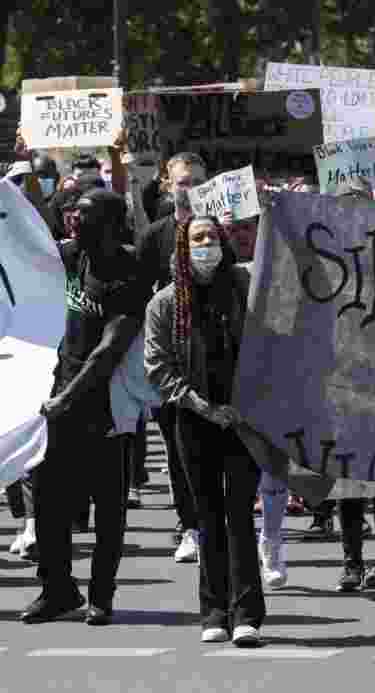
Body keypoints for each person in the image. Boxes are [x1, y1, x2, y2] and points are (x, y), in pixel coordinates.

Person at [22, 189, 152, 627]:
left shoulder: (130, 271)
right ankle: (57, 589)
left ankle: (101, 596)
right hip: (55, 399)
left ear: (112, 225)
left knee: (108, 507)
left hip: (104, 404)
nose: (74, 220)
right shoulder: (68, 256)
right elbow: (23, 246)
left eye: (85, 215)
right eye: (73, 213)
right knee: (48, 500)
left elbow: (108, 351)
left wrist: (67, 398)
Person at [144, 216, 265, 646]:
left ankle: (247, 614)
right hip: (195, 421)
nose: (206, 244)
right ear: (183, 246)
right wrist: (203, 407)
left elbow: (271, 340)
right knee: (207, 516)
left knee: (239, 516)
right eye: (198, 238)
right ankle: (214, 612)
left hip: (243, 420)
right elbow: (158, 367)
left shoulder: (245, 289)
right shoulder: (164, 303)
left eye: (213, 236)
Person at [135, 152, 209, 564]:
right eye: (183, 182)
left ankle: (221, 522)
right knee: (179, 450)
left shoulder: (220, 231)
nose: (191, 189)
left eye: (198, 181)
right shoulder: (154, 236)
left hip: (217, 357)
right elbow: (139, 299)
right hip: (172, 363)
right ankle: (190, 525)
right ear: (167, 185)